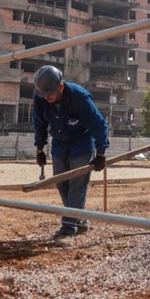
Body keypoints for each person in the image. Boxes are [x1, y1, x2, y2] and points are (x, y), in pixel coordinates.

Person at [32, 65, 109, 240]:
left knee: (77, 185)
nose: (47, 98)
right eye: (44, 94)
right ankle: (79, 221)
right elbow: (39, 124)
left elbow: (99, 125)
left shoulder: (79, 97)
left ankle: (69, 227)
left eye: (49, 94)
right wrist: (39, 149)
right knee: (61, 183)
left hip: (81, 144)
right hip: (59, 144)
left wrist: (101, 153)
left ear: (60, 86)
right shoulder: (41, 97)